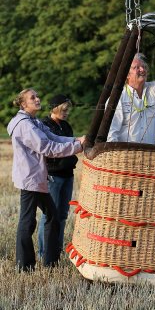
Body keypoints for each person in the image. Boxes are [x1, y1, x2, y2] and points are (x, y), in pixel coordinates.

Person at [7, 88, 85, 272]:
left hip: (36, 179)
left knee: (52, 216)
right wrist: (77, 147)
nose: (37, 98)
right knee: (28, 222)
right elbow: (47, 147)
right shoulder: (25, 125)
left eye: (37, 95)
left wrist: (77, 140)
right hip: (30, 179)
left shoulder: (33, 122)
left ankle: (50, 262)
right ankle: (25, 266)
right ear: (23, 104)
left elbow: (53, 136)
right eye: (32, 97)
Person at [38, 94, 77, 258]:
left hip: (68, 175)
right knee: (49, 215)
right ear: (55, 108)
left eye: (68, 109)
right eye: (64, 109)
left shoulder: (66, 126)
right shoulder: (44, 125)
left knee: (62, 215)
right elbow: (51, 148)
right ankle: (44, 252)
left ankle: (56, 252)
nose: (67, 112)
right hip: (53, 176)